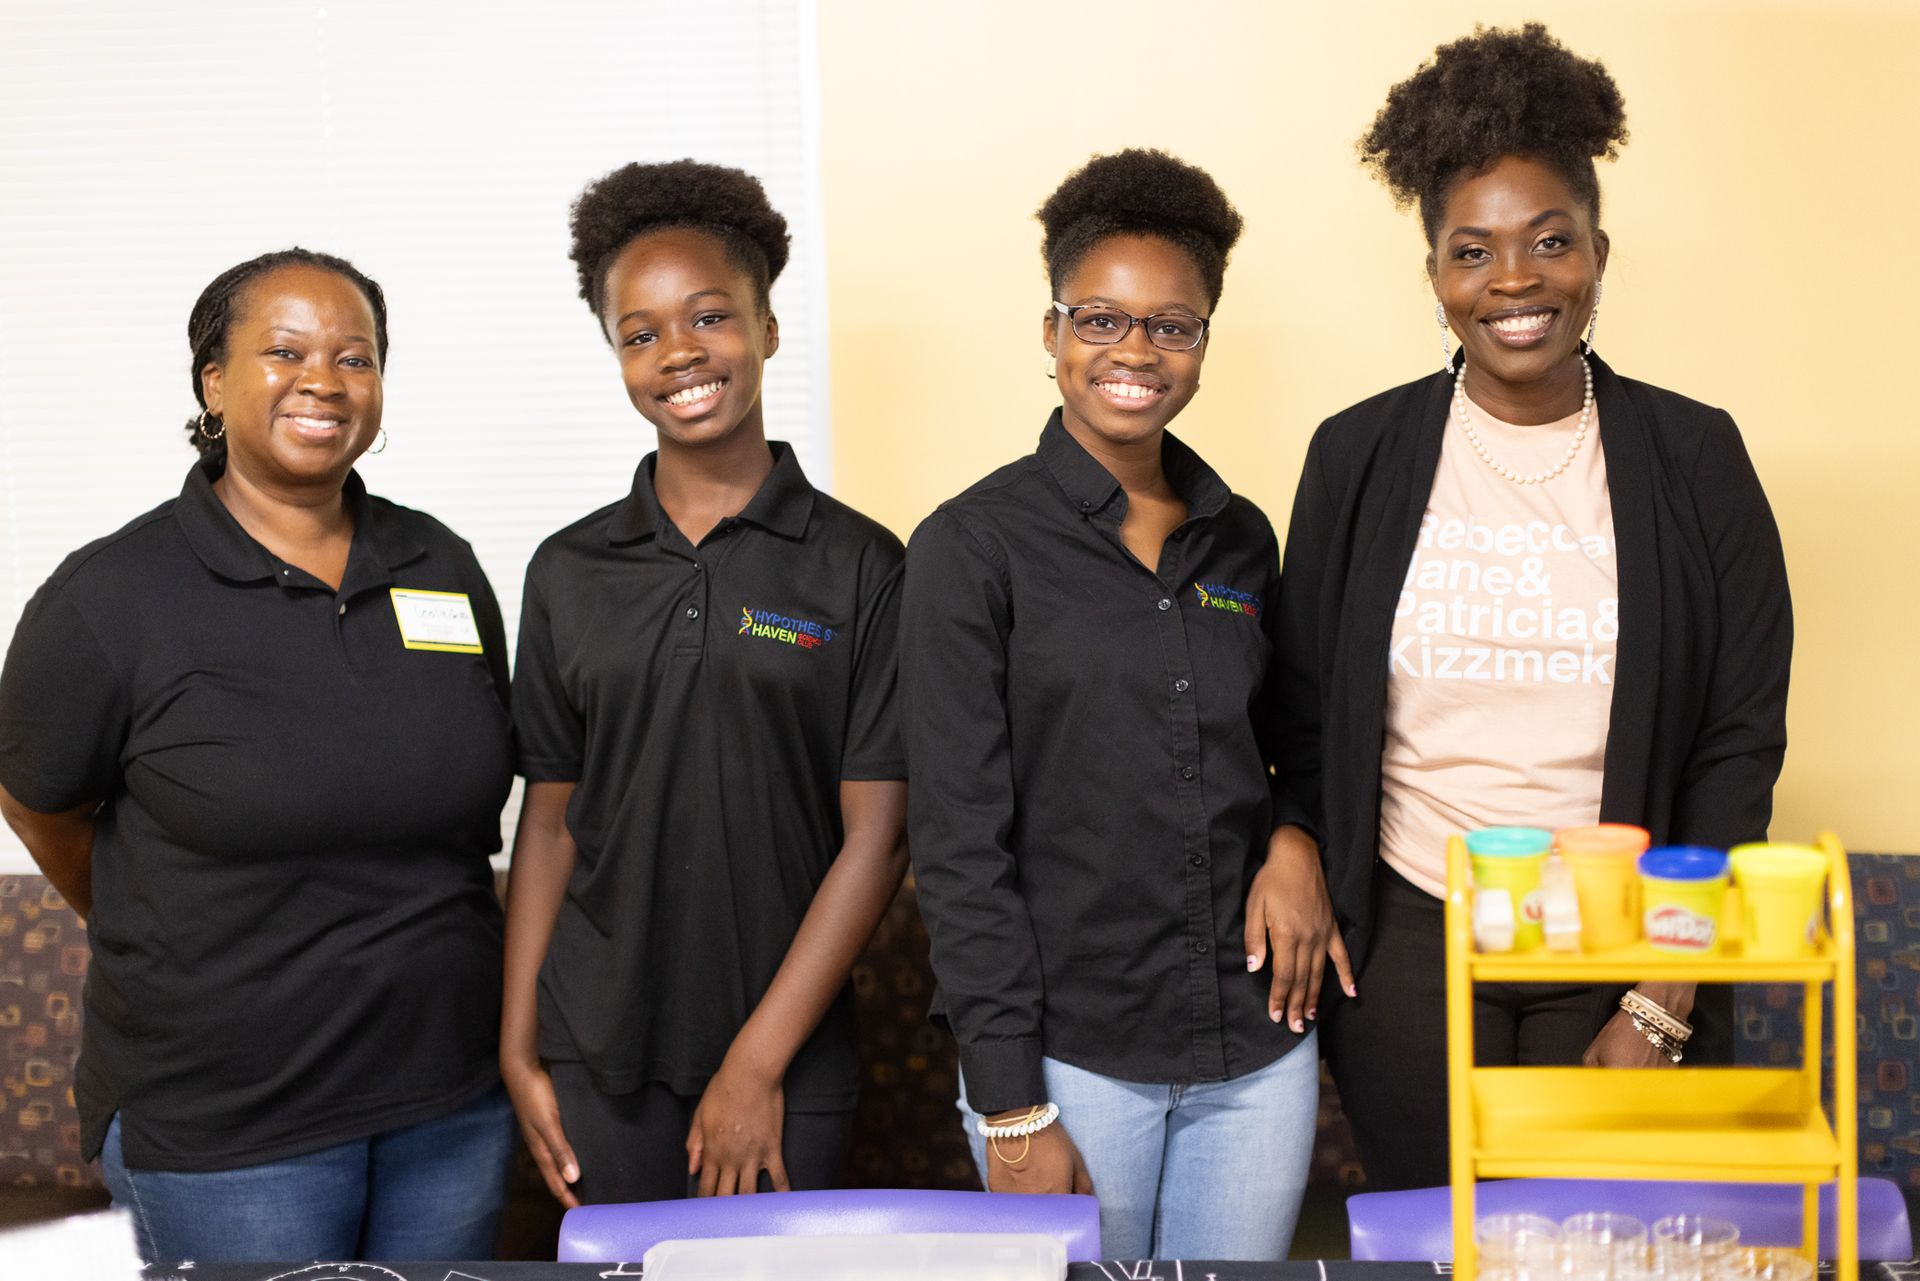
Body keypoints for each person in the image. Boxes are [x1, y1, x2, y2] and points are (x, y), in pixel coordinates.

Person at [1274, 24, 1793, 1191]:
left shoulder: (1695, 456)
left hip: (1614, 941)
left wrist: (1664, 996)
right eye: (1475, 251)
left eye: (1549, 241)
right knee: (1437, 1238)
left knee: (1578, 1245)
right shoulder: (1356, 456)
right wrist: (1297, 839)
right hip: (1408, 941)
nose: (1514, 280)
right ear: (1437, 276)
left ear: (1598, 252)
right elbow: (1302, 714)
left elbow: (1736, 743)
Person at [0, 249, 517, 1260]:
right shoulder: (110, 598)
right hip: (228, 1124)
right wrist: (169, 937)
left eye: (354, 357)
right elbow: (41, 805)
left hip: (449, 1101)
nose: (323, 379)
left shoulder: (440, 567)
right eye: (283, 351)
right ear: (213, 381)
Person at [901, 149, 1348, 1260]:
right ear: (1051, 334)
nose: (1135, 352)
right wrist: (1011, 1101)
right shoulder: (971, 548)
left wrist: (1297, 838)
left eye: (1173, 325)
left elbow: (1299, 745)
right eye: (1100, 319)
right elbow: (958, 842)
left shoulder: (1239, 535)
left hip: (1258, 1053)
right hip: (1070, 1063)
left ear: (1204, 342)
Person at [501, 160, 909, 1206]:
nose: (678, 353)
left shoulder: (863, 565)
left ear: (768, 329)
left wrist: (757, 1064)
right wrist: (519, 1044)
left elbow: (879, 836)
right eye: (640, 334)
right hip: (597, 1049)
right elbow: (549, 821)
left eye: (710, 317)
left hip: (788, 1054)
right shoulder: (568, 569)